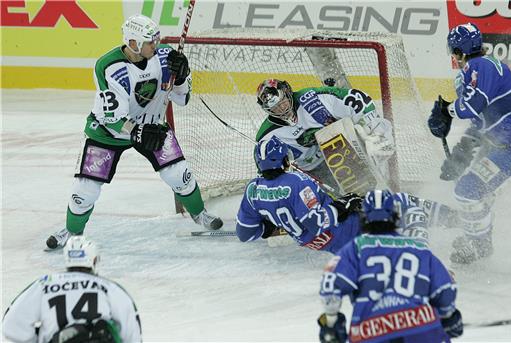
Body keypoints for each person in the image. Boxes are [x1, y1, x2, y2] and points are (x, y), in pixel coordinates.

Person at [46, 14, 222, 250]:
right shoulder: (108, 67)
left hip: (152, 124)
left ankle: (200, 214)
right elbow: (113, 118)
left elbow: (182, 99)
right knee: (85, 190)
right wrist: (136, 132)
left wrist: (181, 76)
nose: (156, 45)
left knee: (179, 173)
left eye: (157, 40)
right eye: (151, 42)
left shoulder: (166, 56)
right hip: (109, 132)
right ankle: (72, 230)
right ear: (133, 43)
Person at [427, 23, 511, 264]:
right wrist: (462, 151)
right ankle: (478, 239)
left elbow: (470, 107)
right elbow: (480, 122)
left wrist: (447, 111)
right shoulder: (484, 69)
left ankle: (478, 245)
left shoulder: (480, 66)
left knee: (469, 193)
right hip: (508, 147)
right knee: (472, 192)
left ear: (459, 50)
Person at [236, 136, 437, 253]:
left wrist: (270, 224)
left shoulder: (253, 190)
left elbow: (245, 233)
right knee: (404, 204)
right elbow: (315, 223)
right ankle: (433, 248)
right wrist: (342, 206)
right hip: (344, 228)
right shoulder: (297, 182)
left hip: (325, 243)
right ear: (283, 160)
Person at [317, 190, 463, 343]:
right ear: (394, 215)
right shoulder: (417, 248)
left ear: (365, 217)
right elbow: (445, 287)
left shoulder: (354, 249)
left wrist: (332, 324)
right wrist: (449, 317)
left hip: (371, 332)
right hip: (420, 328)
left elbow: (330, 286)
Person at [255, 79, 395, 188]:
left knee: (371, 183)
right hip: (311, 172)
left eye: (282, 102)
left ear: (287, 92)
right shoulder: (266, 136)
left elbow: (359, 100)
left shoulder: (313, 99)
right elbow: (266, 167)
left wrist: (374, 133)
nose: (282, 109)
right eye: (275, 108)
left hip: (343, 151)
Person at [3, 236, 142, 342]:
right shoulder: (109, 288)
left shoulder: (44, 284)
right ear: (94, 260)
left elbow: (11, 326)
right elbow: (132, 333)